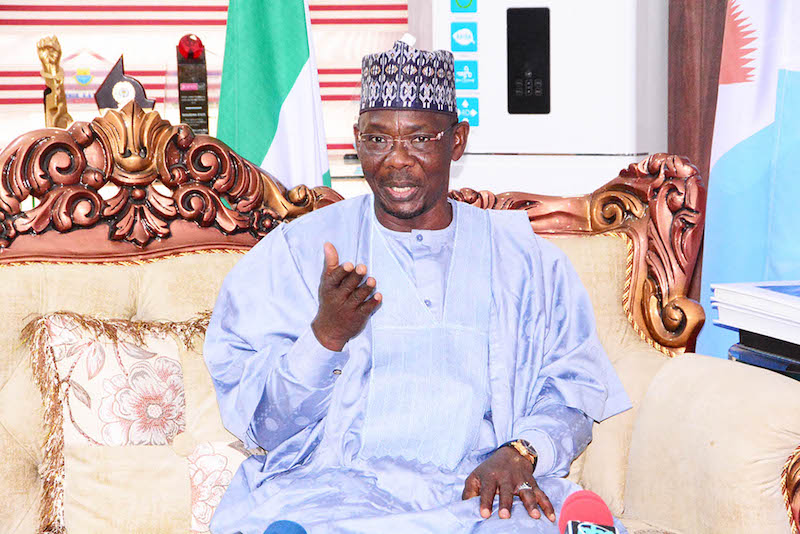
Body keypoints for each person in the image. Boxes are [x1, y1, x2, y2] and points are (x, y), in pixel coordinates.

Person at [204, 38, 631, 534]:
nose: (396, 160)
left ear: (457, 141)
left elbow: (572, 389)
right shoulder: (299, 253)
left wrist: (522, 450)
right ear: (357, 140)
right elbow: (264, 425)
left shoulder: (527, 261)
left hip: (475, 488)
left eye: (420, 139)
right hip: (342, 489)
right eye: (377, 139)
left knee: (545, 519)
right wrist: (325, 337)